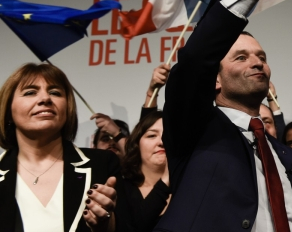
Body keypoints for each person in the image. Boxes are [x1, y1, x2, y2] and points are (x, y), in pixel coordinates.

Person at [155, 0, 292, 231]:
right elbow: (196, 60)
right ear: (215, 80)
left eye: (261, 57)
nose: (257, 63)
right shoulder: (195, 130)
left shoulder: (287, 157)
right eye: (241, 58)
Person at [0, 63, 123, 232]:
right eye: (30, 92)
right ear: (8, 110)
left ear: (68, 107)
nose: (45, 99)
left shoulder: (102, 164)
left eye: (55, 92)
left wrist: (104, 224)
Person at [121, 111, 170, 232]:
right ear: (136, 144)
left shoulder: (188, 189)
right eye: (152, 135)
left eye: (168, 135)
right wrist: (165, 180)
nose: (161, 142)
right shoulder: (121, 189)